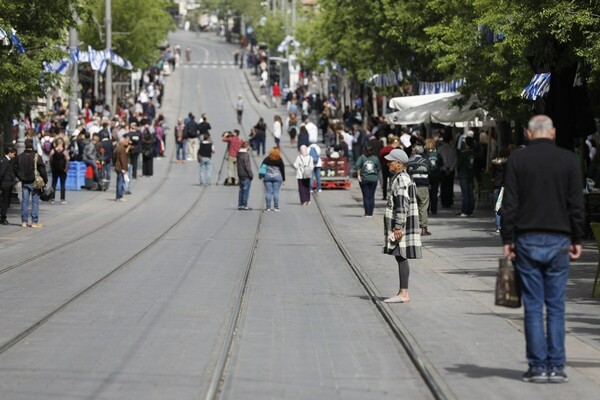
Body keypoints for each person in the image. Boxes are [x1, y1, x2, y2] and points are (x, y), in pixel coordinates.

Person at [501, 115, 584, 384]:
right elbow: (576, 204)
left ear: (527, 133)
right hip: (560, 239)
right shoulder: (568, 160)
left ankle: (537, 367)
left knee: (534, 306)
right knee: (556, 306)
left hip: (527, 239)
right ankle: (557, 367)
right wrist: (577, 238)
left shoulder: (517, 160)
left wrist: (508, 239)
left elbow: (509, 204)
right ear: (554, 132)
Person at [382, 149, 422, 303]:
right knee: (400, 256)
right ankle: (402, 292)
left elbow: (401, 204)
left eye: (390, 161)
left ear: (398, 164)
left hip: (401, 225)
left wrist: (398, 226)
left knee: (401, 256)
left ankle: (404, 294)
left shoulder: (401, 180)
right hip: (400, 224)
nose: (388, 163)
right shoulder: (400, 177)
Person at [16, 138, 48, 228]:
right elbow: (42, 169)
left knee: (25, 202)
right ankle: (34, 222)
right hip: (34, 182)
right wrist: (45, 180)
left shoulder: (20, 156)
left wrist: (19, 176)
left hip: (24, 182)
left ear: (25, 145)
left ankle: (24, 221)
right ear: (32, 145)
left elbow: (14, 166)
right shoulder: (36, 156)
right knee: (35, 201)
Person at [407, 145, 432, 235]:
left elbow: (407, 173)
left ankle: (411, 228)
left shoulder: (409, 161)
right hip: (423, 187)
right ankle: (423, 229)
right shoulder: (427, 161)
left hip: (412, 186)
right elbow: (430, 172)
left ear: (415, 152)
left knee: (412, 207)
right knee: (423, 207)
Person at [355, 146, 381, 217]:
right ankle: (370, 213)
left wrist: (358, 175)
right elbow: (378, 168)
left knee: (366, 196)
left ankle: (367, 213)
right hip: (373, 179)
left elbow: (357, 166)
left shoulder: (362, 157)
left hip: (364, 179)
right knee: (372, 196)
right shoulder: (375, 158)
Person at [491, 148, 510, 232]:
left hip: (497, 185)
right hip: (505, 186)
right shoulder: (509, 163)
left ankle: (498, 226)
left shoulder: (496, 162)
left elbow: (493, 174)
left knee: (497, 206)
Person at [457, 136, 475, 217]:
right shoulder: (473, 153)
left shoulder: (463, 153)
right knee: (470, 193)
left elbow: (459, 165)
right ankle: (470, 209)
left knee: (465, 194)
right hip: (470, 174)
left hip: (463, 174)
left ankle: (465, 210)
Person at [49, 138, 70, 204]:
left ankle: (52, 198)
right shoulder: (64, 151)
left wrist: (51, 166)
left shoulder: (53, 150)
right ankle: (62, 199)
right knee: (62, 184)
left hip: (55, 169)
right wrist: (66, 168)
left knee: (53, 184)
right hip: (62, 169)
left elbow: (50, 159)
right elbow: (67, 159)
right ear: (63, 143)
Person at [425, 138, 443, 215]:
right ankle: (434, 210)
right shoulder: (438, 154)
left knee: (427, 193)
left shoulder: (426, 155)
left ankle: (427, 209)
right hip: (436, 175)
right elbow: (441, 164)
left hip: (428, 176)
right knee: (434, 193)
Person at [438, 135, 457, 208]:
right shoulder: (453, 149)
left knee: (443, 186)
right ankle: (449, 201)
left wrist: (443, 168)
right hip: (451, 169)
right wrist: (451, 169)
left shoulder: (440, 149)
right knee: (450, 186)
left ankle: (443, 201)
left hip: (443, 170)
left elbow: (438, 161)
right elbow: (455, 159)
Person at [0, 146, 17, 225]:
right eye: (13, 153)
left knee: (6, 202)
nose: (14, 155)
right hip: (6, 184)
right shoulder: (5, 161)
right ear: (9, 153)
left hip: (8, 183)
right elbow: (1, 173)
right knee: (5, 202)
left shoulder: (8, 161)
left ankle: (3, 216)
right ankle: (3, 218)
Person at [237, 141, 253, 210]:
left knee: (241, 190)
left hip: (240, 175)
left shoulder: (239, 154)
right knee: (246, 191)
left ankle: (240, 204)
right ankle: (244, 204)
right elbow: (247, 166)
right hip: (246, 175)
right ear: (247, 146)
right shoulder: (246, 155)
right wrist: (251, 175)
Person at [114, 135, 130, 202]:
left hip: (117, 166)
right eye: (125, 141)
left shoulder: (117, 148)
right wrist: (124, 168)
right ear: (122, 142)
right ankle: (119, 196)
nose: (127, 142)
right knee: (120, 182)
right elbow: (123, 159)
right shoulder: (122, 149)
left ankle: (118, 196)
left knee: (119, 181)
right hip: (121, 167)